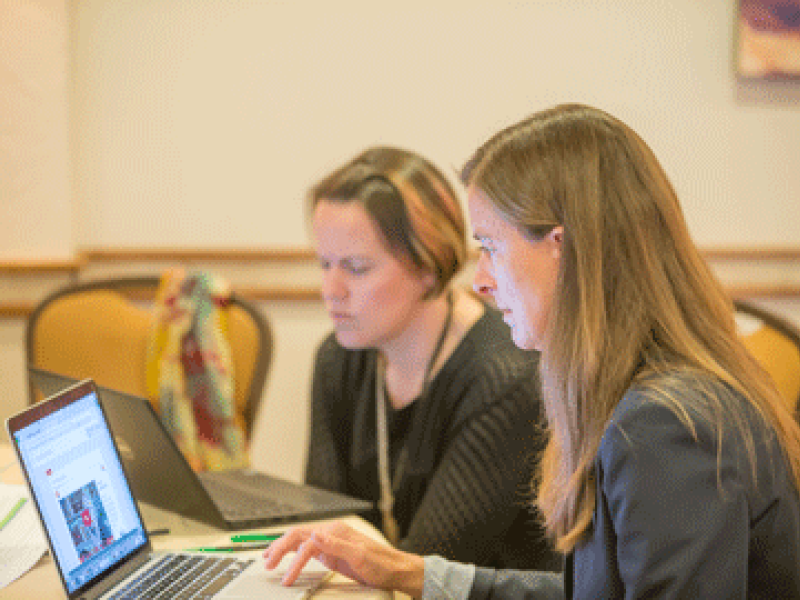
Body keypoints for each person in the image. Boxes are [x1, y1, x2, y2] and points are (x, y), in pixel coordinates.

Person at [264, 105, 800, 598]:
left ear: (562, 251)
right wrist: (406, 571)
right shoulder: (639, 395)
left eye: (492, 248)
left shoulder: (665, 423)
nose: (481, 281)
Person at [300, 146, 560, 570]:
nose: (331, 289)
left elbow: (430, 571)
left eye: (357, 268)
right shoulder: (337, 359)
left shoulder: (505, 376)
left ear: (430, 264)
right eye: (324, 264)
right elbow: (325, 530)